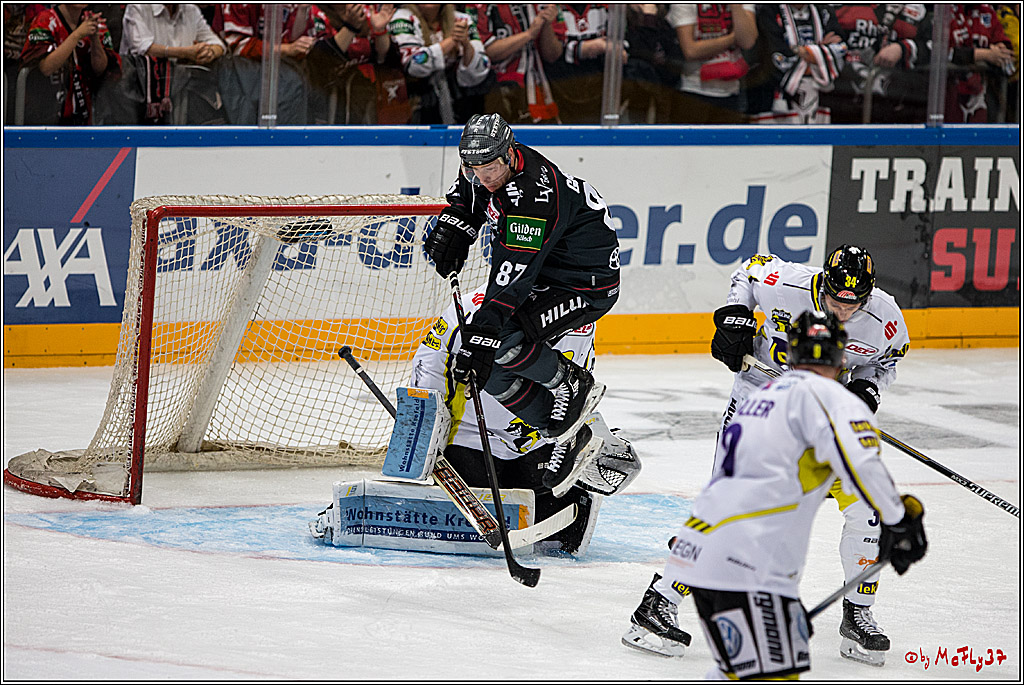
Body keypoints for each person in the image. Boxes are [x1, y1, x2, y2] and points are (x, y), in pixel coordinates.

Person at [623, 309, 927, 679]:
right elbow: (863, 465)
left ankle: (668, 597)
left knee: (747, 671)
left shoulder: (760, 398)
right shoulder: (836, 400)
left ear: (791, 354)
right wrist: (900, 520)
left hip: (698, 555)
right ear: (842, 358)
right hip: (750, 569)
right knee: (768, 674)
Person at [704, 245, 911, 666]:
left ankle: (858, 613)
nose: (842, 311)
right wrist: (734, 315)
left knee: (866, 511)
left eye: (852, 305)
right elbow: (750, 267)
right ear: (823, 285)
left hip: (822, 426)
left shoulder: (885, 318)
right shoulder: (786, 284)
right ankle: (665, 599)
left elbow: (885, 362)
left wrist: (868, 388)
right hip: (760, 409)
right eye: (835, 301)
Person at [423, 112, 620, 494]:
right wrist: (457, 222)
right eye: (475, 168)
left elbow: (512, 277)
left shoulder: (534, 196)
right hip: (546, 275)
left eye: (491, 168)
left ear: (510, 154)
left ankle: (570, 382)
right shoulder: (483, 167)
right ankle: (564, 434)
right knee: (486, 371)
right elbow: (469, 195)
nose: (484, 177)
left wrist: (484, 331)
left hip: (584, 286)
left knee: (496, 341)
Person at [404, 285, 640, 555]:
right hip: (473, 435)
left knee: (562, 525)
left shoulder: (578, 319)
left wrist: (578, 431)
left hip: (538, 439)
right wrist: (423, 431)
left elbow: (577, 386)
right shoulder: (473, 308)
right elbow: (430, 364)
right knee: (463, 527)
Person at [824, 4, 931, 124]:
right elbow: (813, 36)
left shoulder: (915, 10)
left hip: (895, 112)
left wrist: (903, 49)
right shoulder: (833, 7)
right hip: (839, 107)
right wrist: (823, 47)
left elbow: (937, 49)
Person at [119, 4, 226, 124]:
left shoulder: (191, 9)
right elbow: (143, 48)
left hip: (181, 89)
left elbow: (218, 44)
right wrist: (186, 53)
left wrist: (210, 52)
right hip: (140, 92)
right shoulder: (137, 7)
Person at [388, 3, 492, 124]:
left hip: (458, 100)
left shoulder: (462, 20)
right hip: (415, 100)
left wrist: (466, 44)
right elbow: (414, 65)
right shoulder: (402, 18)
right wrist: (452, 40)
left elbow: (481, 67)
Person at [18, 3, 122, 125]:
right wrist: (77, 35)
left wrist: (95, 41)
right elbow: (46, 68)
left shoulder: (94, 22)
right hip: (45, 115)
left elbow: (100, 70)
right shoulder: (45, 20)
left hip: (84, 116)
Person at [749, 4, 848, 125]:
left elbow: (840, 47)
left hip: (821, 93)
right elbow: (774, 52)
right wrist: (819, 54)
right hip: (776, 93)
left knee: (816, 135)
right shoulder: (768, 10)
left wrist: (803, 52)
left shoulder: (823, 10)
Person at [467, 3, 563, 124]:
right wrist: (528, 34)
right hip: (495, 93)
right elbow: (485, 53)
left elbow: (553, 55)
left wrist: (547, 25)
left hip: (543, 90)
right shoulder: (479, 6)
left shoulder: (546, 5)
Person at [665, 3, 758, 124]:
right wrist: (734, 37)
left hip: (732, 91)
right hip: (693, 90)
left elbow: (748, 41)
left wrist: (736, 6)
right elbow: (691, 51)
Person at [544, 4, 628, 124]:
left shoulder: (607, 7)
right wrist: (590, 48)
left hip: (601, 90)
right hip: (562, 87)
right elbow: (552, 54)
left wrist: (611, 48)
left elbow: (621, 45)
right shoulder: (552, 8)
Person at [946, 3, 1015, 124]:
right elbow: (940, 51)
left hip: (982, 93)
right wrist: (984, 54)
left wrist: (1001, 48)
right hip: (948, 94)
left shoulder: (986, 10)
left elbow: (1001, 40)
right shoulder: (943, 10)